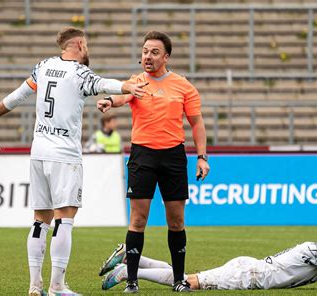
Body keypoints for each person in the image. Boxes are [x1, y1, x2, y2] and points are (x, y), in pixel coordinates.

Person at [0, 27, 147, 296]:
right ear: (78, 44)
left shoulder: (43, 67)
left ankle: (34, 285)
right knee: (64, 218)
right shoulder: (78, 72)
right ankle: (57, 286)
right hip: (64, 154)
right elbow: (102, 83)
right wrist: (128, 86)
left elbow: (19, 94)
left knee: (39, 219)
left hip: (39, 150)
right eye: (86, 44)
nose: (87, 49)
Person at [96, 31, 210, 293]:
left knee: (176, 221)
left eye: (154, 52)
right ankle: (132, 281)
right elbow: (123, 96)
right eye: (145, 51)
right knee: (138, 219)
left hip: (173, 157)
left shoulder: (183, 86)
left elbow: (196, 123)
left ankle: (179, 279)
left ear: (166, 57)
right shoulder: (137, 81)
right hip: (142, 156)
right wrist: (109, 101)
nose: (148, 56)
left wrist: (202, 157)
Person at [100, 242, 317, 291]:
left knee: (184, 276)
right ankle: (128, 272)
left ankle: (131, 259)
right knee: (188, 283)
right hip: (248, 274)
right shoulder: (316, 249)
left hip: (250, 271)